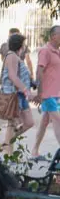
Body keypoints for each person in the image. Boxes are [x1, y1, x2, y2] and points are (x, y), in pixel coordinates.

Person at [0, 33, 37, 153]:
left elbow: (20, 76)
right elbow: (13, 77)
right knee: (12, 123)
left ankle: (6, 143)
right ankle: (8, 153)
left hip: (21, 95)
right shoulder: (12, 57)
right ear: (20, 45)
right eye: (24, 44)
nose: (25, 47)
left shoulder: (17, 57)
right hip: (14, 95)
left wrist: (31, 85)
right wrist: (26, 91)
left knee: (29, 123)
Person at [30, 26, 60, 161]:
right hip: (47, 95)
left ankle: (34, 151)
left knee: (44, 123)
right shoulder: (45, 51)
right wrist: (39, 93)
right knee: (58, 120)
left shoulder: (57, 52)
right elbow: (39, 72)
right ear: (53, 36)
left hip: (55, 94)